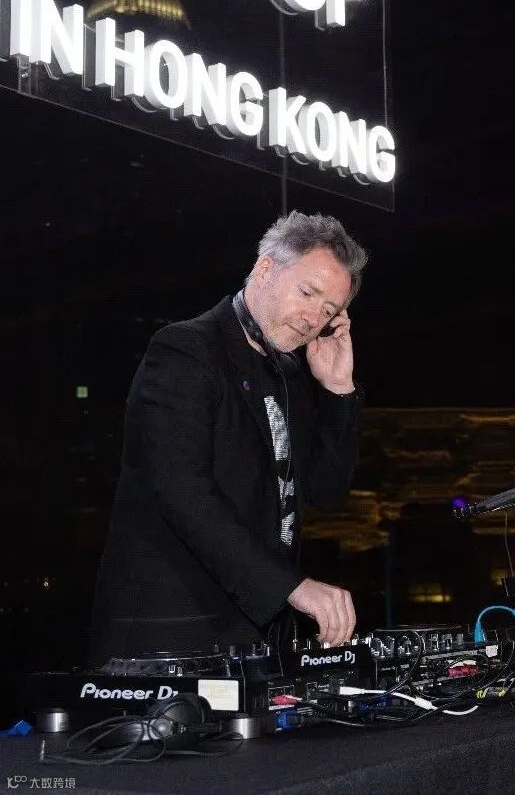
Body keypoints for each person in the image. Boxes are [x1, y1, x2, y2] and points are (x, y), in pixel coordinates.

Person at [89, 211, 368, 665]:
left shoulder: (289, 375)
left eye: (328, 311)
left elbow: (326, 491)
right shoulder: (185, 350)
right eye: (308, 293)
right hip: (169, 639)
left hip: (254, 640)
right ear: (265, 269)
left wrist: (338, 390)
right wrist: (290, 587)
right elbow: (181, 491)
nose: (312, 319)